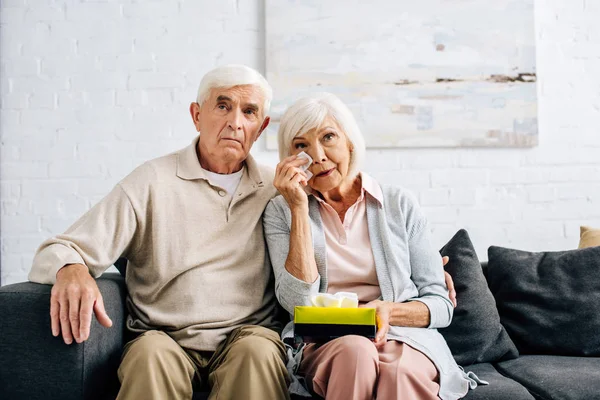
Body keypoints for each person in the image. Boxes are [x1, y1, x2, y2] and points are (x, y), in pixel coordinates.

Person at [28, 65, 290, 400]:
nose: (235, 122)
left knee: (259, 354)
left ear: (261, 127)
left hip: (248, 337)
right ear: (196, 115)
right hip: (163, 338)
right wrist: (71, 268)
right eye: (222, 106)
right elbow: (58, 249)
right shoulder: (150, 181)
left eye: (249, 112)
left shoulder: (276, 189)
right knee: (148, 357)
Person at [263, 93, 477, 400]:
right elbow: (297, 303)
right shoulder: (280, 211)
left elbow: (441, 306)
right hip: (326, 340)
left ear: (350, 141)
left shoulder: (398, 203)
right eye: (301, 146)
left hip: (406, 338)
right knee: (355, 352)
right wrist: (298, 208)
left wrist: (388, 311)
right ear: (290, 157)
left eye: (328, 137)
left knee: (400, 372)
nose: (318, 155)